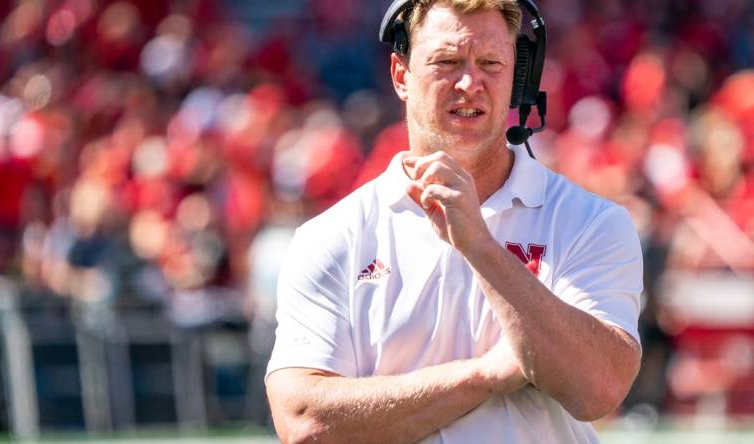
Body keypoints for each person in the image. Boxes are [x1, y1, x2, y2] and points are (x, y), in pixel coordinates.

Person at [265, 0, 643, 442]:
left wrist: (480, 247)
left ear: (517, 78)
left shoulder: (591, 222)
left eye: (491, 63)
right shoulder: (332, 235)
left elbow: (598, 390)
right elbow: (304, 423)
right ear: (401, 75)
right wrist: (483, 376)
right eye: (447, 61)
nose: (470, 82)